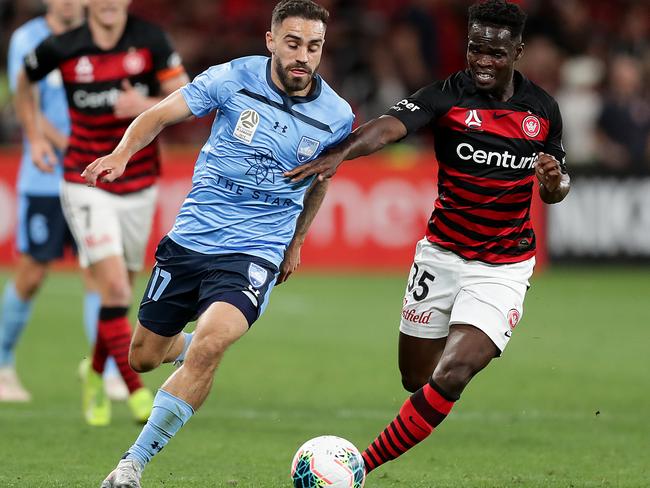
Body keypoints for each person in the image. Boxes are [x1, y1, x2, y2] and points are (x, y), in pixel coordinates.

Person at [286, 0, 571, 476]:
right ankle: (438, 383)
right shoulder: (447, 96)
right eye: (475, 49)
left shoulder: (542, 111)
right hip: (440, 256)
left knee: (453, 373)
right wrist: (342, 153)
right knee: (416, 378)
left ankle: (361, 466)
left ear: (517, 52)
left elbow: (558, 184)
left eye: (495, 53)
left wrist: (553, 182)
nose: (482, 60)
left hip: (503, 266)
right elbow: (388, 128)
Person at [81, 0, 353, 485]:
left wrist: (295, 242)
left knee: (212, 344)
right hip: (192, 238)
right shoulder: (232, 78)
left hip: (256, 249)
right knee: (142, 357)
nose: (302, 57)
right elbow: (161, 113)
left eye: (313, 47)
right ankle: (189, 348)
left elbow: (320, 182)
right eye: (292, 44)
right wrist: (122, 154)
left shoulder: (337, 116)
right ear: (271, 41)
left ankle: (130, 466)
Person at [15, 0, 189, 425]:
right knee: (112, 289)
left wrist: (144, 103)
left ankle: (93, 374)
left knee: (120, 295)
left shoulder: (150, 40)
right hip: (84, 180)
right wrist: (36, 136)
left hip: (139, 183)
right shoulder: (62, 46)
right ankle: (136, 396)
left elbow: (186, 91)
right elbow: (23, 81)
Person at [0, 0, 125, 402]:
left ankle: (104, 371)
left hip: (88, 175)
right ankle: (2, 364)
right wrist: (70, 145)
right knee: (33, 273)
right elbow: (28, 103)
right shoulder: (29, 39)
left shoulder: (102, 38)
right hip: (46, 176)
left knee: (99, 272)